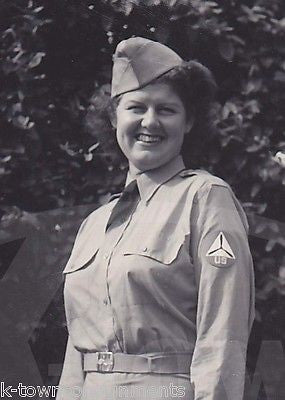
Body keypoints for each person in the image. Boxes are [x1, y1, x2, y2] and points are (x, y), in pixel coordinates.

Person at [57, 37, 255, 400]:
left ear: (189, 120)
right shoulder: (95, 224)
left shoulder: (206, 198)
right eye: (136, 107)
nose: (150, 121)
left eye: (166, 109)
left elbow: (222, 334)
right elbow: (77, 353)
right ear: (114, 116)